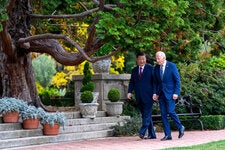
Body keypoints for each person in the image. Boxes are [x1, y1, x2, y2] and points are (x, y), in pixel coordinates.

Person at [153, 51, 185, 141]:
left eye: (158, 58)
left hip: (171, 94)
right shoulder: (156, 68)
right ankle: (168, 135)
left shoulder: (172, 66)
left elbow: (177, 81)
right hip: (161, 94)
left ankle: (180, 127)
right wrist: (155, 93)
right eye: (156, 58)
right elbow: (155, 82)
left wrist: (176, 92)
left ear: (164, 58)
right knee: (163, 115)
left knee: (171, 111)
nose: (157, 60)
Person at [127, 52, 156, 139]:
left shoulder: (151, 69)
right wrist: (129, 92)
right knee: (145, 115)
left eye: (143, 59)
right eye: (140, 59)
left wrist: (155, 93)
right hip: (139, 96)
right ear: (137, 60)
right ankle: (152, 134)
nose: (142, 61)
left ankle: (142, 131)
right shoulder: (134, 70)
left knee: (146, 114)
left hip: (149, 96)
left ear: (145, 59)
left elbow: (155, 82)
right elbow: (132, 82)